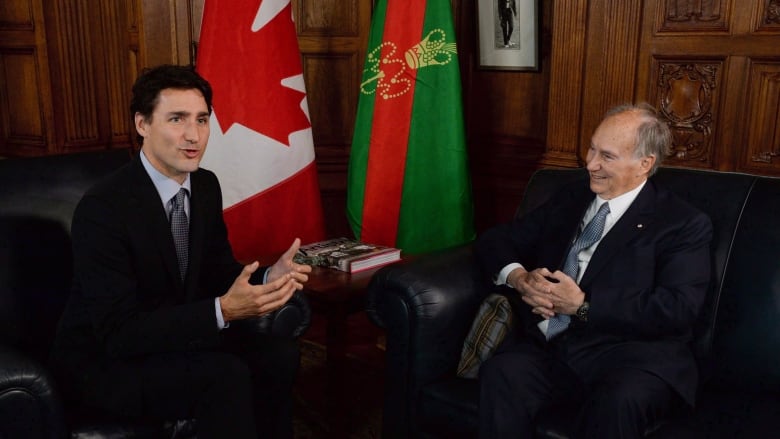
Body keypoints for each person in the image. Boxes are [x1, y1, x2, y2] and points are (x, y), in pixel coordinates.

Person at [50, 64, 311, 439]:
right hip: (105, 360)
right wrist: (222, 311)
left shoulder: (205, 186)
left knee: (276, 356)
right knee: (225, 376)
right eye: (177, 119)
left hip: (170, 339)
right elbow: (119, 331)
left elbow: (219, 271)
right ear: (143, 124)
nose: (194, 136)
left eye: (202, 120)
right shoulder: (104, 207)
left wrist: (269, 277)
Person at [475, 103, 713, 438]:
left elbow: (677, 308)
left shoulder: (682, 223)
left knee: (618, 401)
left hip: (632, 358)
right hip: (557, 348)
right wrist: (519, 277)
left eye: (607, 156)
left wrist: (583, 305)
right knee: (503, 371)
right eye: (591, 148)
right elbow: (497, 240)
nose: (590, 164)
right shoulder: (573, 197)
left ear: (644, 164)